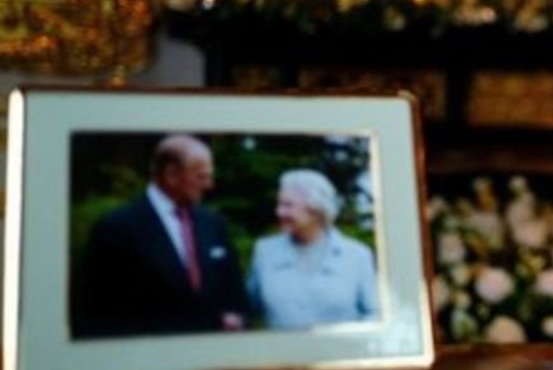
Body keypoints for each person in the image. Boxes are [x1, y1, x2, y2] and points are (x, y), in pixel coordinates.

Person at [75, 135, 249, 338]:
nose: (209, 185)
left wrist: (237, 318)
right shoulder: (117, 228)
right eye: (201, 177)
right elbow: (95, 313)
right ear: (171, 175)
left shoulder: (214, 224)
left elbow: (236, 296)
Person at [247, 169, 379, 329]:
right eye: (279, 204)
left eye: (288, 205)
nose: (279, 212)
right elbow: (247, 310)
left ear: (315, 210)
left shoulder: (357, 255)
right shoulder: (265, 252)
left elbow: (374, 313)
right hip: (281, 353)